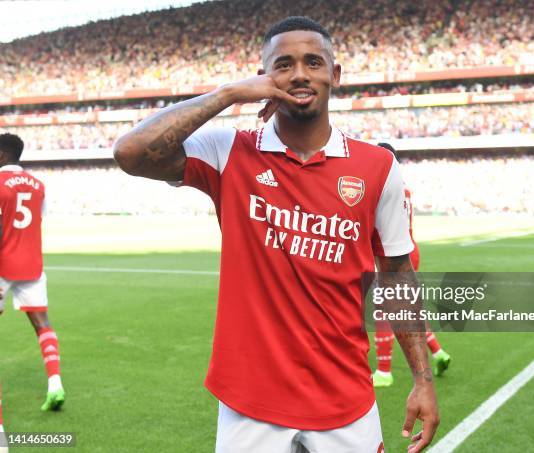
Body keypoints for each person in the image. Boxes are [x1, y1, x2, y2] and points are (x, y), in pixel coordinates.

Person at [114, 16, 438, 453]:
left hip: (346, 402)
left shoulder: (377, 167)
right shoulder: (230, 151)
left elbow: (398, 276)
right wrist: (227, 94)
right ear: (264, 76)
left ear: (334, 75)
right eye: (283, 64)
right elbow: (131, 153)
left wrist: (422, 380)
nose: (300, 74)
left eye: (314, 62)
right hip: (249, 406)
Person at [372, 143, 451, 388]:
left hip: (388, 252)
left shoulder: (380, 186)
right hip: (409, 249)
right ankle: (438, 352)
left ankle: (384, 371)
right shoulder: (404, 188)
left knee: (383, 311)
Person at [0, 133, 65, 411]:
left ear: (2, 155)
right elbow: (39, 219)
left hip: (2, 266)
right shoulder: (39, 185)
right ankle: (55, 384)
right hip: (32, 265)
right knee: (42, 324)